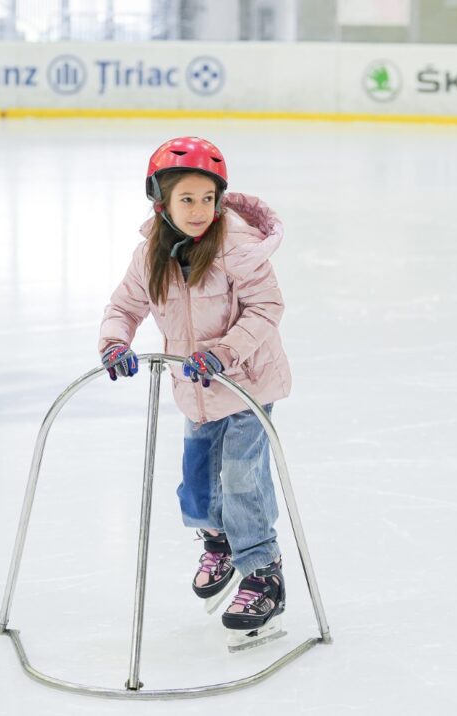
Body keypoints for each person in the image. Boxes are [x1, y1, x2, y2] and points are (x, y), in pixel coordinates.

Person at [98, 136, 292, 651]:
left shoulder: (236, 249)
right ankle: (218, 541)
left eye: (208, 198)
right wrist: (116, 341)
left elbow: (266, 309)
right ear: (160, 202)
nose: (200, 210)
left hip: (245, 382)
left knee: (241, 477)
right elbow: (124, 307)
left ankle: (262, 571)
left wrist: (225, 352)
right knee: (198, 481)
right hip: (196, 390)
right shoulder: (150, 258)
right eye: (187, 199)